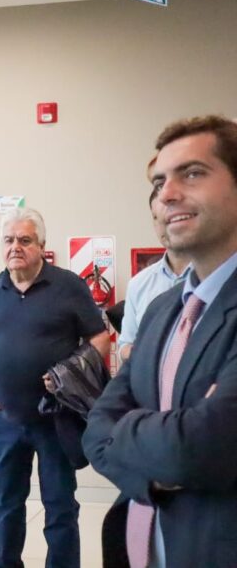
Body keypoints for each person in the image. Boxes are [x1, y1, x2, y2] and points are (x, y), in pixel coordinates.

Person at [84, 115, 237, 567]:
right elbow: (95, 430)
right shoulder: (161, 309)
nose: (166, 194)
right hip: (142, 548)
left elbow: (199, 449)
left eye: (192, 173)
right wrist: (162, 447)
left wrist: (128, 429)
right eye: (157, 182)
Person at [0, 207, 109, 568]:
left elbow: (100, 337)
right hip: (3, 420)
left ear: (42, 246)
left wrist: (69, 373)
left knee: (60, 505)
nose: (16, 246)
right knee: (6, 504)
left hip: (56, 418)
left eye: (25, 240)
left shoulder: (68, 285)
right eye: (9, 240)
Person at [118, 171, 191, 362]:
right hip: (153, 388)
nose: (164, 224)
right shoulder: (139, 284)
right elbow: (124, 344)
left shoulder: (218, 277)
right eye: (157, 217)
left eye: (172, 215)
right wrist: (142, 354)